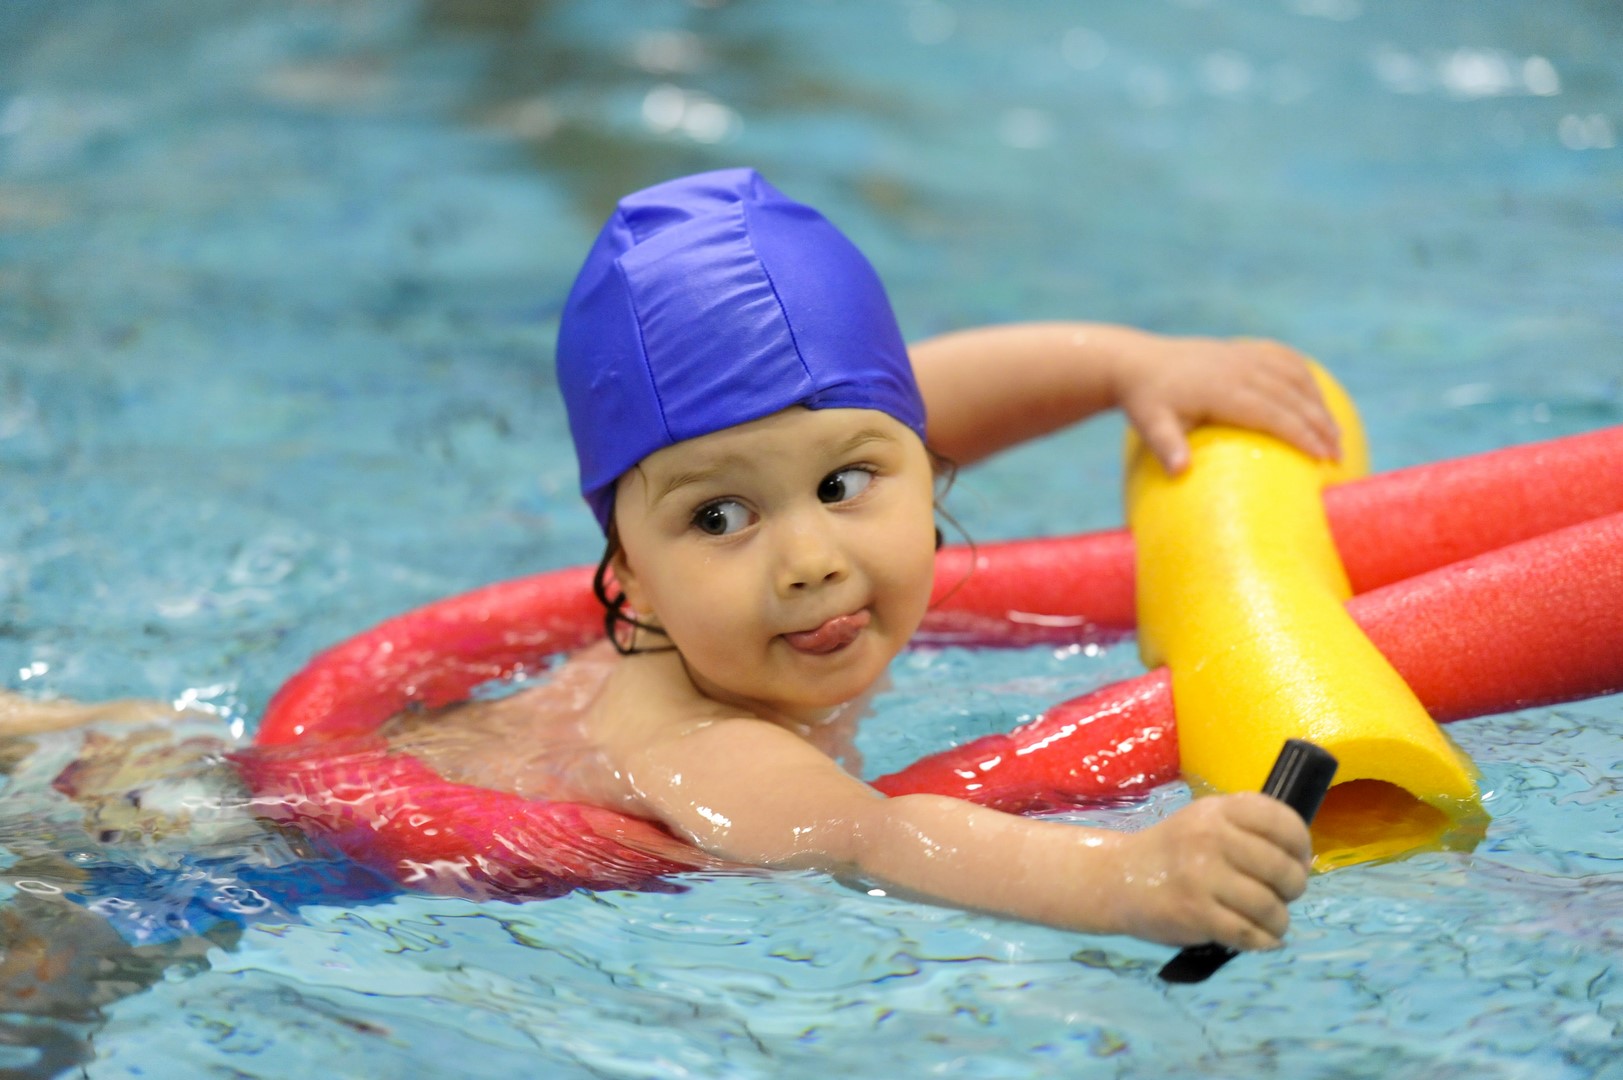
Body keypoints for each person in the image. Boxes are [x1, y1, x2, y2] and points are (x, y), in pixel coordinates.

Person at [4, 168, 1340, 953]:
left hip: (379, 751)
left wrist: (1134, 367)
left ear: (913, 467)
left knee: (129, 740)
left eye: (844, 485)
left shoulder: (848, 471)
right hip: (272, 844)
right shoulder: (711, 745)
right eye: (718, 519)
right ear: (626, 574)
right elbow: (876, 838)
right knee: (79, 912)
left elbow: (919, 399)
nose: (810, 558)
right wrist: (1130, 878)